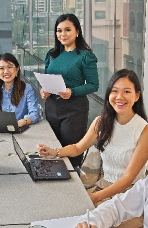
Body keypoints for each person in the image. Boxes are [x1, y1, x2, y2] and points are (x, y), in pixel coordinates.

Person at [38, 69, 148, 204]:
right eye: (114, 91)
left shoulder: (145, 131)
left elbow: (128, 178)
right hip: (105, 186)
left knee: (84, 216)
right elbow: (77, 148)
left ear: (137, 96)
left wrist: (95, 197)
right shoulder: (101, 122)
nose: (119, 97)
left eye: (127, 92)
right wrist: (55, 152)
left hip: (131, 193)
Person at [40, 13, 99, 168]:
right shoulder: (52, 54)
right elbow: (48, 78)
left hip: (74, 110)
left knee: (70, 153)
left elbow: (93, 85)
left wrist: (72, 91)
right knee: (52, 149)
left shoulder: (86, 56)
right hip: (52, 107)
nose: (62, 34)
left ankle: (74, 189)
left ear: (77, 31)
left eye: (67, 30)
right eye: (59, 31)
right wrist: (45, 90)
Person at [0, 53, 40, 127]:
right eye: (1, 68)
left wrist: (23, 122)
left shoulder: (27, 88)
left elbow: (35, 113)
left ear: (17, 69)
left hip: (20, 130)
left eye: (10, 67)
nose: (6, 71)